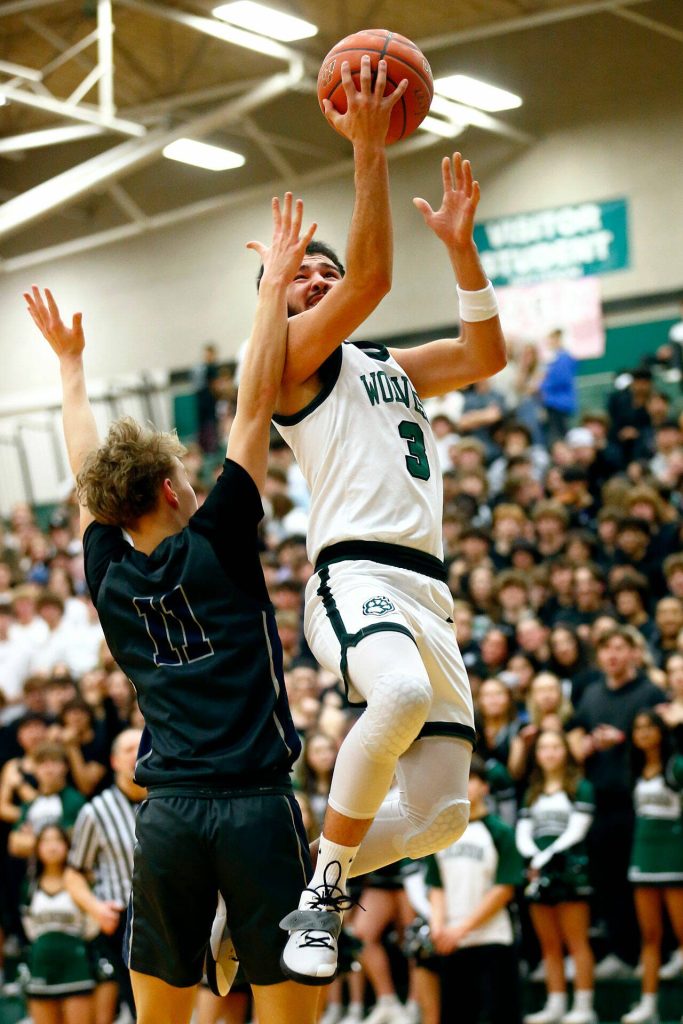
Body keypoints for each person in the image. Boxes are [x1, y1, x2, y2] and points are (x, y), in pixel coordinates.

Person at [24, 191, 322, 1024]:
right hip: (257, 809)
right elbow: (256, 400)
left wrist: (71, 370)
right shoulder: (219, 538)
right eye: (185, 478)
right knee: (288, 1012)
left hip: (170, 820)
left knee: (159, 1017)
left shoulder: (107, 570)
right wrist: (272, 291)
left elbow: (86, 471)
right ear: (169, 487)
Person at [272, 121, 506, 977]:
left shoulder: (384, 362)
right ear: (273, 302)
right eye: (299, 275)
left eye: (323, 272)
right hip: (356, 570)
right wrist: (369, 146)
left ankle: (285, 891)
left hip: (428, 591)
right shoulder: (287, 359)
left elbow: (485, 353)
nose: (321, 281)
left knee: (445, 813)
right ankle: (323, 902)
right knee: (399, 692)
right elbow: (371, 276)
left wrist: (461, 250)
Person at [426, 755, 524, 1024]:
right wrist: (438, 927)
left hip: (492, 940)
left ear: (485, 788)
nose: (464, 786)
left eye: (470, 779)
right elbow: (436, 886)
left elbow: (504, 888)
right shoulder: (439, 834)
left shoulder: (500, 832)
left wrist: (461, 929)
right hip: (451, 944)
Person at [65, 728, 145, 1024]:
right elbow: (73, 873)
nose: (138, 751)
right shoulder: (95, 811)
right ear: (113, 761)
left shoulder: (172, 801)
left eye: (143, 744)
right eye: (128, 748)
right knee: (141, 1008)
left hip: (173, 914)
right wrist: (96, 909)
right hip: (123, 918)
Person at [516, 731, 596, 1024]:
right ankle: (556, 1003)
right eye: (543, 748)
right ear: (536, 754)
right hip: (538, 872)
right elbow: (523, 830)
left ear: (566, 751)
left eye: (555, 747)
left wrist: (544, 857)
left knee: (576, 941)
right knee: (548, 943)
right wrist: (532, 856)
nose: (549, 753)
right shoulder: (532, 790)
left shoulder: (580, 786)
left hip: (569, 870)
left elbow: (577, 830)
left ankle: (585, 1006)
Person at [621, 710, 683, 1024]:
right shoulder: (634, 767)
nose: (643, 733)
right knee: (650, 935)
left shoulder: (677, 766)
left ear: (661, 731)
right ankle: (648, 1005)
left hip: (674, 855)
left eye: (649, 726)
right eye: (638, 727)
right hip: (642, 854)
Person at [20, 824, 97, 1024]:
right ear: (37, 847)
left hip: (76, 965)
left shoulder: (78, 881)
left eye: (57, 840)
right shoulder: (30, 885)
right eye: (46, 840)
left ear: (67, 846)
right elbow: (26, 925)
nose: (52, 846)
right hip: (41, 967)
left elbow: (93, 922)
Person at [539, 330, 577, 445]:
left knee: (561, 437)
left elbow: (562, 379)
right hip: (554, 404)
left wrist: (542, 384)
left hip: (559, 404)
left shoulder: (563, 358)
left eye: (552, 339)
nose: (550, 342)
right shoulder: (556, 359)